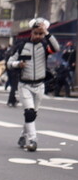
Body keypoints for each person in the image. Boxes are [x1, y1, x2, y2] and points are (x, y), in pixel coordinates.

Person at [6, 18, 60, 152]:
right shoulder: (21, 45)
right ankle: (32, 139)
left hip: (40, 85)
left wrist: (46, 33)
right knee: (29, 113)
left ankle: (23, 136)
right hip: (24, 85)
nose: (38, 36)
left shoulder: (45, 46)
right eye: (36, 33)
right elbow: (9, 62)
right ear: (31, 32)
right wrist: (17, 64)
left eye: (40, 34)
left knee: (33, 115)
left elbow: (56, 48)